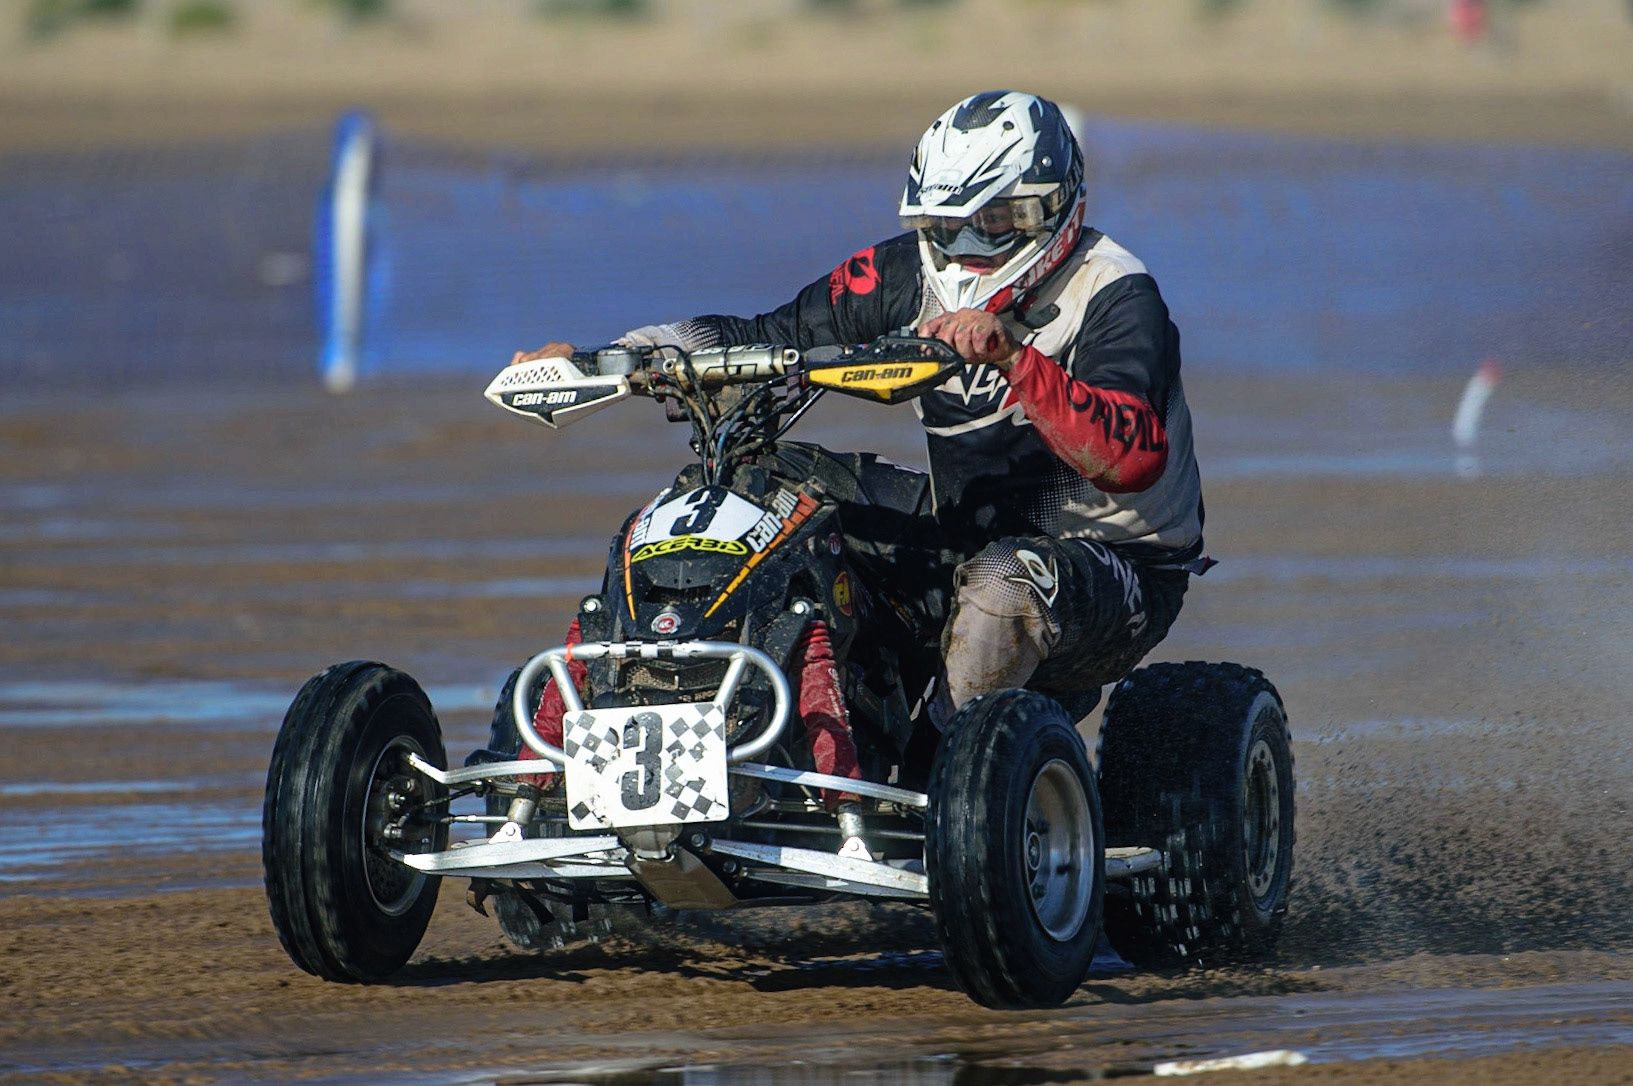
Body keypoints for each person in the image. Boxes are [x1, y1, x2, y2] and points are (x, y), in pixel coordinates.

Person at [510, 90, 1206, 795]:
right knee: (759, 495)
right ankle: (694, 725)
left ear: (1053, 207)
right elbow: (774, 336)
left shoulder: (1113, 290)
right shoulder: (903, 273)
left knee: (1004, 581)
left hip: (1119, 571)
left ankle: (939, 783)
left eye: (993, 222)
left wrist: (1015, 361)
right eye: (945, 225)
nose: (965, 248)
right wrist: (613, 356)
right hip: (961, 536)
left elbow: (1129, 459)